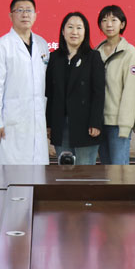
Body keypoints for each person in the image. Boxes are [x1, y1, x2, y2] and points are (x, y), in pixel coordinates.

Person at [0, 0, 50, 165]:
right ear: (10, 15)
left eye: (29, 10)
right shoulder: (1, 46)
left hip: (36, 119)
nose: (25, 14)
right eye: (19, 10)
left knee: (38, 172)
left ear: (35, 15)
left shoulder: (42, 44)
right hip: (11, 121)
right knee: (12, 172)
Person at [46, 12, 105, 165]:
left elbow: (99, 93)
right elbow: (50, 94)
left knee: (84, 171)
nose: (74, 32)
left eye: (79, 28)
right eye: (70, 27)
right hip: (61, 124)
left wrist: (95, 122)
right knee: (65, 170)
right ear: (63, 31)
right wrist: (49, 124)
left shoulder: (93, 57)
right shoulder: (54, 58)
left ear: (85, 32)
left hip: (86, 125)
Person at [95, 5, 135, 165]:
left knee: (120, 171)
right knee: (106, 170)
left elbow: (131, 90)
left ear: (122, 24)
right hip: (99, 123)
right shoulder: (96, 52)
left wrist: (126, 125)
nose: (109, 24)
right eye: (104, 20)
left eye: (114, 20)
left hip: (118, 124)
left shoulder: (129, 52)